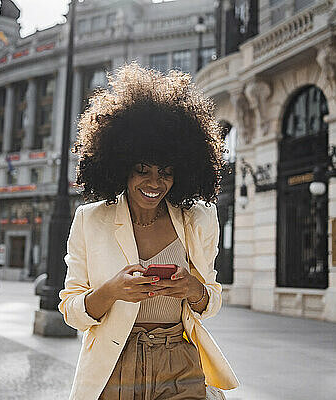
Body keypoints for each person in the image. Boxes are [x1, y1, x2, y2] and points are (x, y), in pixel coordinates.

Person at [59, 64, 239, 400]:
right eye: (142, 170)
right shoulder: (89, 219)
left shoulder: (197, 220)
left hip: (180, 363)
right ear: (121, 167)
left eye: (166, 172)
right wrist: (112, 291)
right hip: (115, 364)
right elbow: (71, 310)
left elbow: (211, 301)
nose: (154, 183)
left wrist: (193, 288)